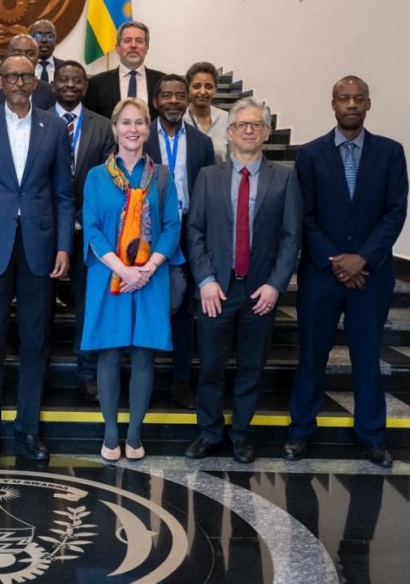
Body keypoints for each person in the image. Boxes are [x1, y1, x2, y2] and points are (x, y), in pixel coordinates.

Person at [284, 76, 408, 467]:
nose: (351, 104)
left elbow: (395, 212)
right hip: (322, 273)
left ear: (368, 104)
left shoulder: (390, 152)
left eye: (358, 98)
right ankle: (300, 431)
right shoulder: (311, 154)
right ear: (333, 104)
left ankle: (371, 437)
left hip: (372, 276)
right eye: (343, 98)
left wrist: (363, 258)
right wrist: (337, 259)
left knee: (367, 357)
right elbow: (304, 213)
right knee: (312, 355)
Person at [0, 54, 75, 463]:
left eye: (26, 75)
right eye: (12, 76)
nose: (20, 82)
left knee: (35, 342)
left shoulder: (55, 128)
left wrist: (64, 246)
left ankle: (27, 430)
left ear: (35, 83)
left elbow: (63, 193)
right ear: (1, 83)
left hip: (40, 249)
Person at [184, 98, 301, 464]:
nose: (249, 130)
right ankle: (209, 432)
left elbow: (290, 236)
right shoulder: (208, 176)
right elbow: (196, 231)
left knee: (251, 367)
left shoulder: (285, 177)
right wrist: (204, 279)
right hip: (216, 289)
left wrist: (276, 284)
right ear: (230, 132)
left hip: (260, 290)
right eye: (242, 125)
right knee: (211, 367)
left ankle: (241, 435)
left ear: (267, 132)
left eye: (257, 125)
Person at [80, 97, 181, 462]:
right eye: (126, 122)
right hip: (109, 276)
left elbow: (172, 227)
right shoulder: (96, 176)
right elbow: (91, 229)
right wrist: (122, 269)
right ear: (114, 128)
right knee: (108, 353)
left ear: (147, 129)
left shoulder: (162, 176)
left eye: (140, 122)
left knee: (143, 355)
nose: (133, 129)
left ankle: (135, 435)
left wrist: (148, 269)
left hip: (150, 277)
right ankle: (110, 434)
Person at [144, 74, 216, 409]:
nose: (173, 101)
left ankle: (181, 380)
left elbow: (211, 189)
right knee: (147, 301)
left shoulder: (201, 143)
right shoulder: (142, 138)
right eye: (167, 95)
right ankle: (141, 376)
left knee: (185, 308)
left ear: (187, 100)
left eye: (180, 95)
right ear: (156, 101)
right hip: (148, 230)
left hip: (190, 229)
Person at [51, 60, 115, 402]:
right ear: (53, 84)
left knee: (89, 303)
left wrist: (79, 216)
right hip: (44, 227)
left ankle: (86, 372)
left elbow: (106, 178)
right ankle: (40, 368)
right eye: (64, 79)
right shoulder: (39, 119)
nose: (71, 85)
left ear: (85, 86)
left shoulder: (104, 127)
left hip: (89, 228)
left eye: (78, 80)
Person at [83, 21, 166, 119]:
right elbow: (91, 120)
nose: (133, 45)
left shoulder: (162, 81)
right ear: (117, 48)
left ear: (146, 48)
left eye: (139, 41)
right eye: (127, 40)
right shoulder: (96, 83)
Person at [0, 34, 56, 114]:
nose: (23, 58)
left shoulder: (48, 92)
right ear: (7, 55)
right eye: (18, 52)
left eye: (30, 54)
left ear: (38, 58)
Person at [183, 61, 229, 162]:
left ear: (215, 89)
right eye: (196, 86)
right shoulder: (181, 120)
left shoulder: (227, 119)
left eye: (208, 87)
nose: (203, 92)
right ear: (188, 89)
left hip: (219, 177)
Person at [30, 19, 65, 84]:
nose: (44, 40)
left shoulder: (65, 68)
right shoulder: (21, 67)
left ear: (56, 41)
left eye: (49, 36)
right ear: (30, 40)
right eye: (38, 36)